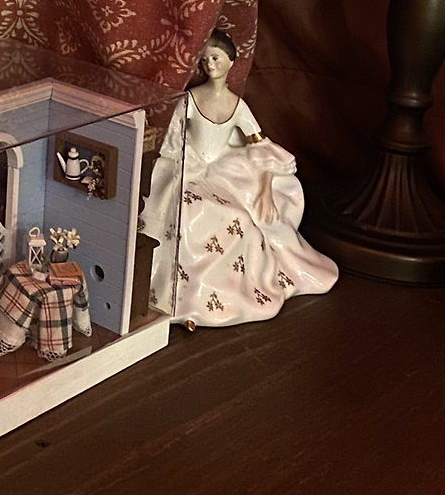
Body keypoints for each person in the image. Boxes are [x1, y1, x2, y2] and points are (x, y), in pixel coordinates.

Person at [142, 29, 338, 327]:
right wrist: (181, 162)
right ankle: (183, 299)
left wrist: (264, 189)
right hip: (190, 166)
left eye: (216, 58)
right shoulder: (191, 99)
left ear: (231, 62)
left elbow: (261, 147)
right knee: (190, 215)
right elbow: (174, 139)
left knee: (245, 219)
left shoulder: (237, 106)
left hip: (225, 170)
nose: (210, 65)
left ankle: (231, 294)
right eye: (205, 60)